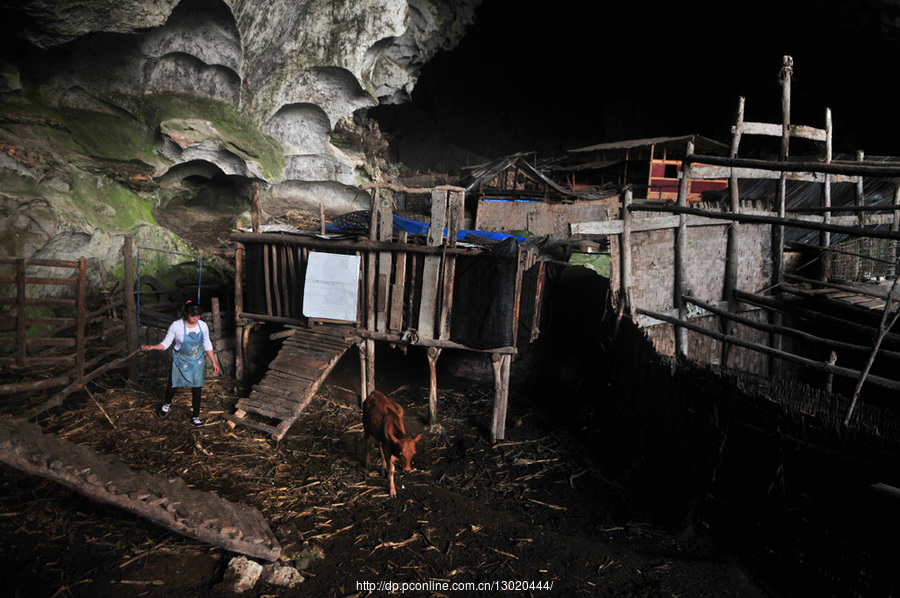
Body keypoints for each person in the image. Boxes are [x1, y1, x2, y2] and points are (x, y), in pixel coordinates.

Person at [141, 300, 219, 426]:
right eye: (193, 316)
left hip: (196, 360)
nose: (195, 319)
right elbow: (166, 344)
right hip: (180, 360)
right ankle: (167, 404)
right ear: (186, 314)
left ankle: (196, 416)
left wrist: (214, 362)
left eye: (198, 316)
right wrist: (153, 347)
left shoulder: (202, 325)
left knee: (197, 388)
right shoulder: (176, 326)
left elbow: (207, 343)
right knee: (172, 385)